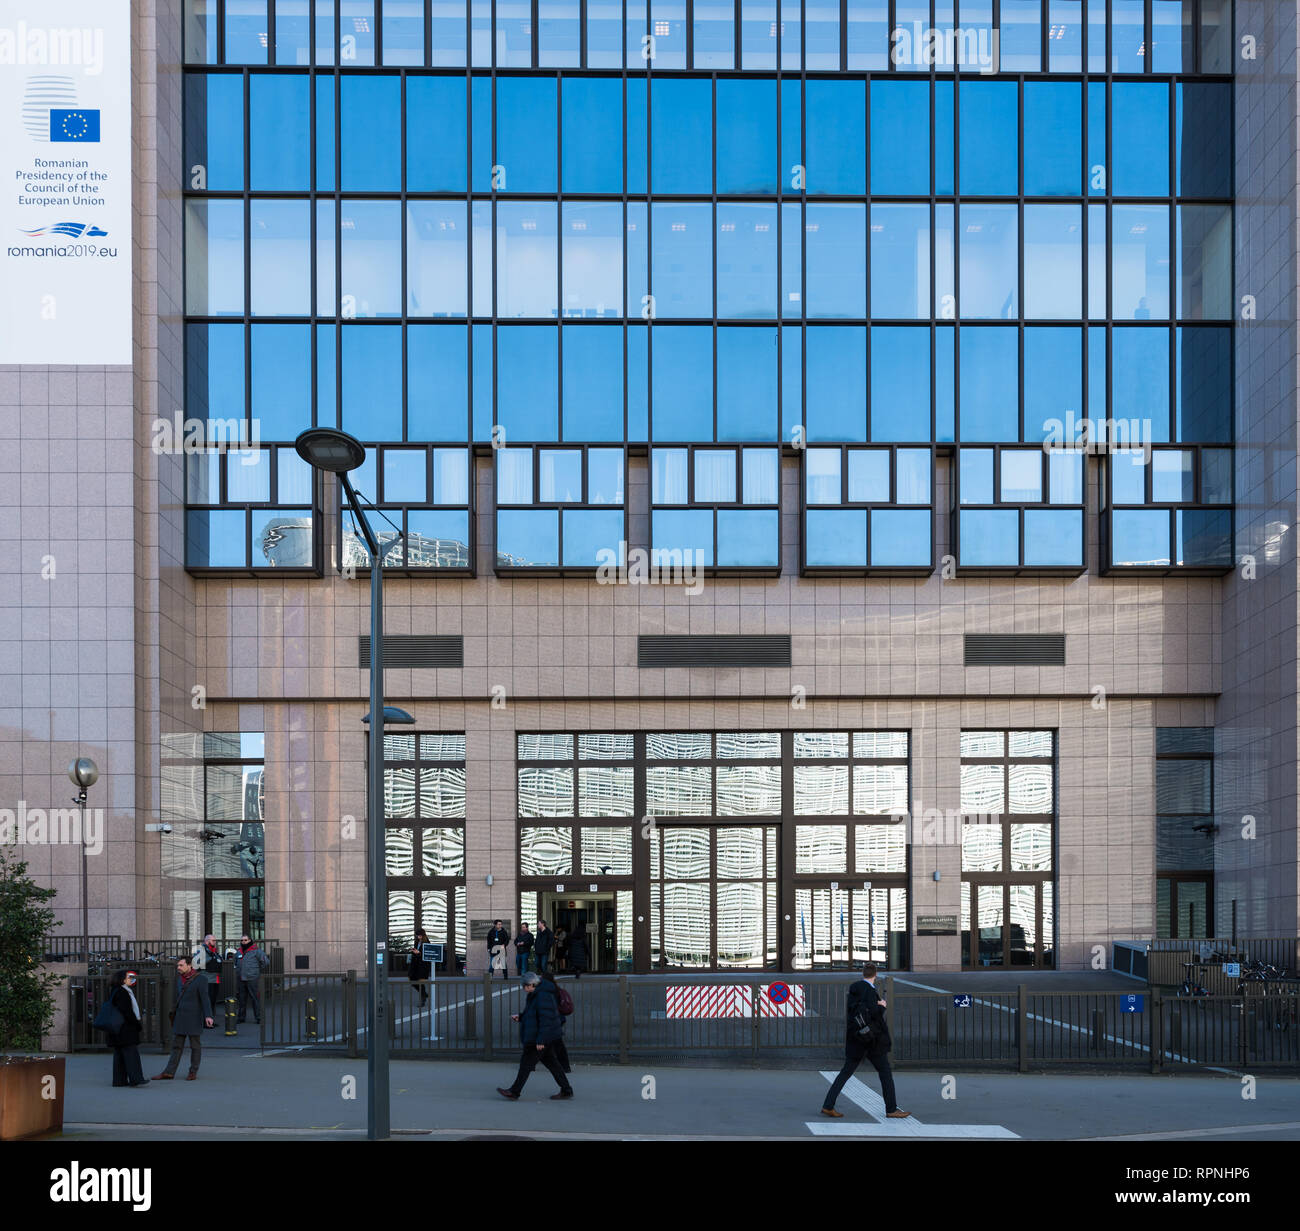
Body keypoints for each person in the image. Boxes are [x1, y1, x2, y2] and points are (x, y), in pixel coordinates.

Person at [820, 963, 909, 1119]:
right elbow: (873, 1014)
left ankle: (828, 1105)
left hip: (856, 1039)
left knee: (845, 1073)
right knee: (885, 1072)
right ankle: (891, 1109)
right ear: (875, 975)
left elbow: (858, 1011)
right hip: (871, 1040)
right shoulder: (870, 991)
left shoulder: (855, 989)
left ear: (863, 974)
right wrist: (881, 1005)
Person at [496, 973, 573, 1101]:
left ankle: (514, 1091)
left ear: (532, 984)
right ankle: (566, 1090)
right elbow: (535, 1015)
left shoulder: (542, 996)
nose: (524, 989)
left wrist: (541, 1039)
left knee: (526, 1064)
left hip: (540, 1037)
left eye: (525, 986)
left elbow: (546, 1019)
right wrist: (521, 1017)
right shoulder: (538, 994)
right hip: (544, 1035)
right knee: (552, 1064)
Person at [155, 957, 213, 1081]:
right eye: (178, 966)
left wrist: (208, 1015)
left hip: (194, 1016)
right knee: (176, 1046)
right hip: (180, 1016)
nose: (178, 968)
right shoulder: (178, 979)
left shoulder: (201, 979)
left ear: (189, 965)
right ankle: (169, 1072)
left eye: (181, 965)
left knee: (195, 1046)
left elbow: (205, 998)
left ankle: (193, 1072)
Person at [108, 969, 148, 1088]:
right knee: (131, 1054)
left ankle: (119, 1080)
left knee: (120, 1054)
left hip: (118, 1028)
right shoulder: (123, 992)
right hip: (125, 1028)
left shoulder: (116, 991)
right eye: (128, 977)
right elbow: (127, 1011)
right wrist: (136, 1023)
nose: (131, 979)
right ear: (123, 980)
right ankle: (136, 1079)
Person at [538, 969, 572, 1074]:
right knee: (556, 1043)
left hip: (550, 1020)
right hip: (558, 1019)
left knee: (543, 1042)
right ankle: (565, 1066)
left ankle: (530, 1064)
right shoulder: (556, 989)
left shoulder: (545, 991)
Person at [236, 934, 270, 1024]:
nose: (243, 942)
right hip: (241, 978)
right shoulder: (238, 951)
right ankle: (241, 1018)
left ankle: (258, 1017)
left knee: (255, 998)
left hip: (252, 978)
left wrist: (256, 970)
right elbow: (236, 962)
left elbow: (266, 962)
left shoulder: (256, 951)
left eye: (245, 940)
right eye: (242, 940)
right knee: (242, 999)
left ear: (250, 940)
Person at [192, 933, 223, 1022]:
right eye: (213, 940)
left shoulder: (214, 950)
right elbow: (195, 964)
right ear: (207, 941)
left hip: (215, 979)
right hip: (206, 979)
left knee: (213, 1000)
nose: (215, 942)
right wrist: (210, 958)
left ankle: (211, 1019)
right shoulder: (201, 950)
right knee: (207, 1001)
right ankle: (205, 1021)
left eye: (215, 940)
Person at [408, 928, 432, 1006]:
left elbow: (427, 956)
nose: (418, 937)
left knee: (420, 982)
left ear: (423, 935)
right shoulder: (417, 942)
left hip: (422, 966)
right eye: (417, 935)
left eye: (420, 935)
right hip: (415, 965)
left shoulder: (427, 943)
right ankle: (424, 994)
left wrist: (418, 953)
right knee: (412, 979)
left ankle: (423, 999)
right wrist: (414, 951)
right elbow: (417, 953)